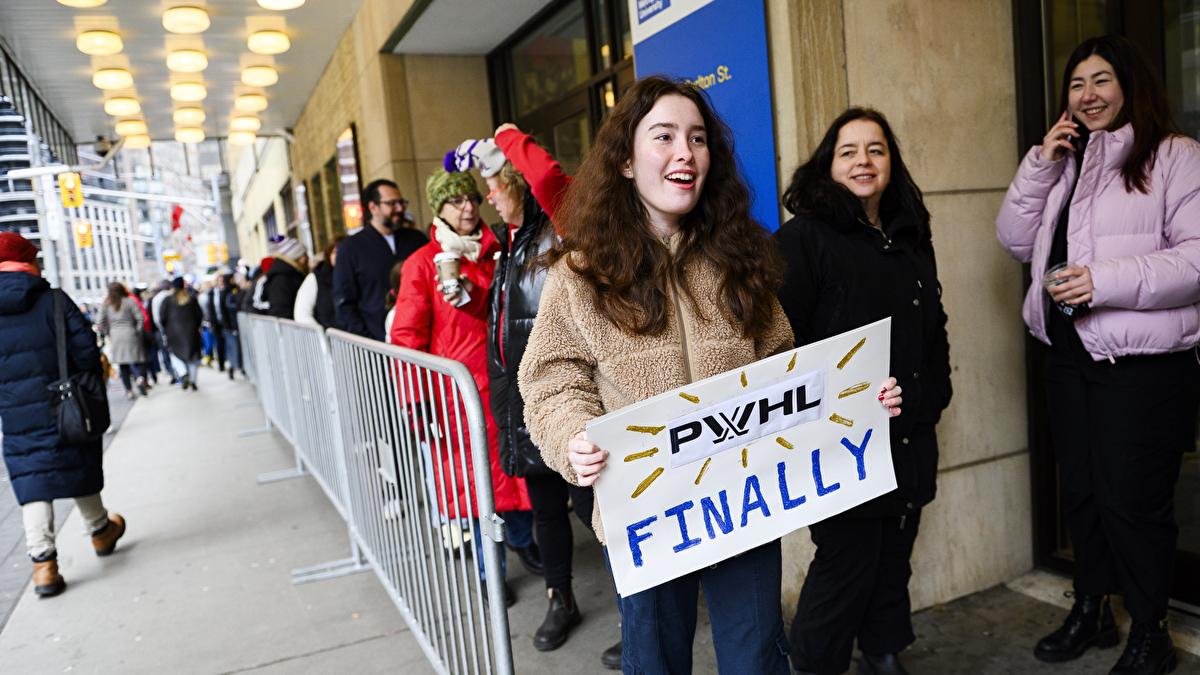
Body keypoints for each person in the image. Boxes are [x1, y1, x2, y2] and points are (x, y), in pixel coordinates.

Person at [516, 76, 903, 674]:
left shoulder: (738, 256)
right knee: (656, 662)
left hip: (741, 506)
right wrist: (573, 434)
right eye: (663, 136)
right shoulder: (582, 273)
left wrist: (853, 398)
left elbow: (783, 365)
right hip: (644, 511)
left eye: (697, 139)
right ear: (624, 159)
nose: (685, 153)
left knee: (756, 661)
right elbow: (550, 377)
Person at [997, 35, 1200, 675]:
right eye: (1077, 84)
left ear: (1130, 84)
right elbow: (1012, 238)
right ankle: (1091, 608)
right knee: (1081, 491)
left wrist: (1102, 281)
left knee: (1132, 499)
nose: (1088, 95)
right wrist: (1039, 164)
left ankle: (1151, 631)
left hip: (1142, 364)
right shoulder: (1067, 164)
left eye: (1102, 80)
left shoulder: (1175, 156)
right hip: (1070, 352)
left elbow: (1196, 260)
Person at [775, 107, 952, 675]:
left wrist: (932, 398)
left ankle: (882, 652)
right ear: (828, 164)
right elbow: (781, 345)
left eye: (875, 149)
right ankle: (814, 665)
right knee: (846, 565)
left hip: (909, 432)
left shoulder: (909, 233)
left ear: (891, 161)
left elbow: (934, 325)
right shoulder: (804, 239)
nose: (863, 160)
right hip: (842, 442)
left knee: (894, 554)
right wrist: (844, 403)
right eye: (848, 150)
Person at [453, 125, 620, 659]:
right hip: (530, 402)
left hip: (574, 397)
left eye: (494, 187)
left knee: (597, 509)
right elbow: (505, 322)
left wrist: (506, 136)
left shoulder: (562, 228)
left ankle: (635, 611)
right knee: (547, 509)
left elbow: (549, 176)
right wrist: (466, 296)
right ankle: (560, 598)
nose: (489, 201)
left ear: (515, 184)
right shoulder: (510, 247)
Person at [391, 168, 535, 607]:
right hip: (457, 395)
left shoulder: (499, 249)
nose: (468, 207)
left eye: (471, 198)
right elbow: (406, 337)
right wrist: (416, 401)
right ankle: (489, 570)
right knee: (473, 488)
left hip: (506, 383)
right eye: (456, 202)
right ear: (440, 210)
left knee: (518, 473)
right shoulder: (422, 263)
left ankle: (524, 543)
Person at [0, 232, 127, 598]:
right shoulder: (54, 301)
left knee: (32, 479)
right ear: (29, 262)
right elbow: (86, 351)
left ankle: (44, 566)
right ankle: (100, 530)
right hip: (65, 402)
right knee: (76, 463)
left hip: (17, 414)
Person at [335, 179, 427, 340]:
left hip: (420, 338)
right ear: (373, 207)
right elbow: (344, 304)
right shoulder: (350, 248)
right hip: (376, 347)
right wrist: (368, 341)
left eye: (401, 202)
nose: (399, 208)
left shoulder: (417, 240)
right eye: (391, 203)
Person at [98, 281, 151, 400]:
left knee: (123, 365)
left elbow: (99, 321)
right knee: (138, 359)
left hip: (116, 336)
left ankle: (129, 390)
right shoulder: (130, 301)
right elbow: (140, 317)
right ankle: (140, 378)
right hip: (131, 334)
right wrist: (137, 331)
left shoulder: (106, 304)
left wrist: (108, 332)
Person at [161, 277, 203, 390]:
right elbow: (199, 315)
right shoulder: (191, 299)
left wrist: (166, 330)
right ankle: (193, 381)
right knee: (192, 357)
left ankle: (183, 373)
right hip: (191, 333)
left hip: (173, 334)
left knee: (175, 355)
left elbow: (162, 318)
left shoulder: (167, 300)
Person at [294, 236, 342, 328]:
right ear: (328, 255)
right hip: (328, 338)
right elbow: (302, 314)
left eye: (343, 252)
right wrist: (322, 337)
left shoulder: (359, 276)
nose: (339, 256)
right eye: (335, 252)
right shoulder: (316, 278)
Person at [265, 237, 308, 321]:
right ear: (296, 256)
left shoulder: (290, 274)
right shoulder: (282, 279)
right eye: (304, 255)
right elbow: (280, 310)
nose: (307, 258)